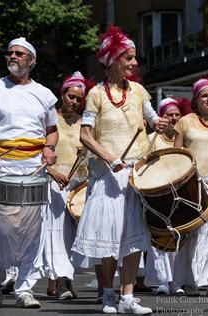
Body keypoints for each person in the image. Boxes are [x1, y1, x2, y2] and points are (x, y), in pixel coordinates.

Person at [71, 25, 168, 314]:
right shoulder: (96, 94)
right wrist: (110, 157)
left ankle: (128, 298)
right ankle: (109, 295)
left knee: (134, 235)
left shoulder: (138, 91)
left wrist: (160, 123)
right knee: (109, 236)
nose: (134, 63)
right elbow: (85, 135)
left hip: (136, 175)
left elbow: (153, 119)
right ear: (112, 60)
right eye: (128, 58)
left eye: (134, 58)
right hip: (106, 175)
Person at [0, 37, 58, 308]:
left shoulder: (43, 94)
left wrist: (49, 149)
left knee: (33, 230)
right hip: (1, 167)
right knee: (1, 231)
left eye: (19, 53)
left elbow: (52, 131)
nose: (13, 56)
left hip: (33, 167)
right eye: (10, 53)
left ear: (31, 60)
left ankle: (25, 289)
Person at [173, 69, 208, 297]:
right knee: (190, 233)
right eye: (204, 96)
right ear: (196, 99)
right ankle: (184, 280)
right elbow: (177, 153)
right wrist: (184, 179)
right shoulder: (185, 122)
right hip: (191, 184)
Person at [43, 71, 91, 300]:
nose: (73, 101)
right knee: (56, 234)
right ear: (62, 95)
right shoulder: (50, 118)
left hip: (79, 184)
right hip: (54, 182)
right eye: (70, 96)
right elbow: (38, 151)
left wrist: (87, 151)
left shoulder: (85, 123)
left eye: (78, 99)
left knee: (73, 236)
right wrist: (52, 172)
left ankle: (66, 279)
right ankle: (60, 281)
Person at [144, 97, 191, 296]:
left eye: (176, 115)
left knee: (179, 237)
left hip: (179, 194)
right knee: (159, 238)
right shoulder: (151, 139)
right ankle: (163, 281)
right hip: (157, 194)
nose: (173, 118)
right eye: (168, 115)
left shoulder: (185, 138)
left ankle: (177, 281)